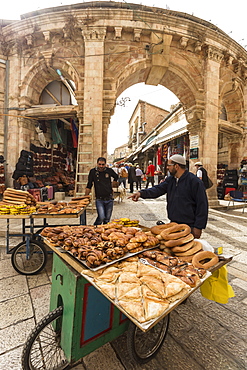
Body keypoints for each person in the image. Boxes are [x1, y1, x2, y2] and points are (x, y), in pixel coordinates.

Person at [128, 154, 208, 238]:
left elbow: (202, 205)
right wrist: (141, 193)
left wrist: (198, 227)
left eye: (169, 165)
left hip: (189, 225)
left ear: (176, 166)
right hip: (173, 223)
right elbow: (158, 189)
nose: (167, 168)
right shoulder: (171, 180)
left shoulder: (194, 182)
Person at [85, 157, 118, 225]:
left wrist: (113, 184)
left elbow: (116, 176)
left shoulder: (109, 170)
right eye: (99, 164)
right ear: (97, 164)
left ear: (105, 164)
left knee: (107, 219)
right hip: (99, 199)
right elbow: (89, 184)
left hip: (109, 198)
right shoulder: (93, 172)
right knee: (101, 217)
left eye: (103, 164)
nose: (101, 166)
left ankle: (103, 233)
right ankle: (94, 228)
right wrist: (86, 196)